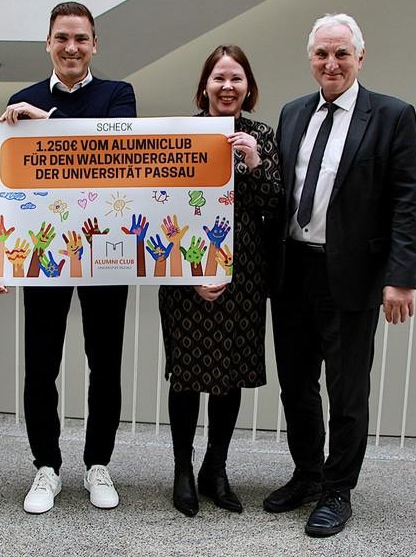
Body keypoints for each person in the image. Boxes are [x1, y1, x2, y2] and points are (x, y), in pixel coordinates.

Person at [266, 13, 416, 536]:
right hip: (293, 272)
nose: (330, 63)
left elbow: (407, 203)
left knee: (347, 389)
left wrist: (401, 277)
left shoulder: (392, 116)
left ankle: (338, 491)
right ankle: (308, 473)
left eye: (341, 54)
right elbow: (280, 191)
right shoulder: (292, 114)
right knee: (295, 384)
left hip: (352, 277)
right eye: (321, 54)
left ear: (360, 57)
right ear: (310, 58)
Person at [0, 1, 136, 514]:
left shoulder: (119, 96)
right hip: (44, 254)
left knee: (105, 365)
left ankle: (98, 465)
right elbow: (10, 187)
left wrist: (44, 122)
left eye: (81, 39)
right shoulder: (19, 101)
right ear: (47, 43)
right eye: (62, 38)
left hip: (105, 253)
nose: (72, 47)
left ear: (95, 44)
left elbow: (106, 155)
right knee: (41, 366)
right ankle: (45, 466)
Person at [158, 45, 281, 517]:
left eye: (236, 79)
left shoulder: (263, 137)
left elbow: (274, 202)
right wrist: (190, 273)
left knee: (228, 376)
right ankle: (183, 471)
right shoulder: (181, 133)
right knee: (188, 375)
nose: (227, 87)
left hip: (243, 275)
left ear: (248, 87)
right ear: (204, 86)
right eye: (218, 78)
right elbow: (162, 203)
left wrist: (251, 163)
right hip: (186, 272)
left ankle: (216, 467)